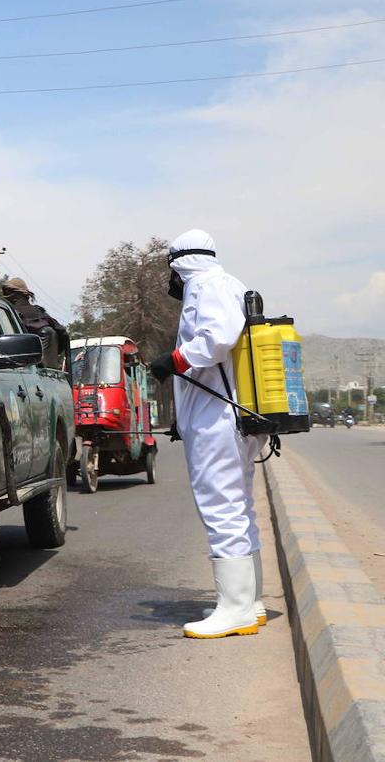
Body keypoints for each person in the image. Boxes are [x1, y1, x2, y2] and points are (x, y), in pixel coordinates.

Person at [149, 228, 266, 639]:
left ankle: (234, 610)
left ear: (180, 263)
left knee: (221, 507)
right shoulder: (226, 282)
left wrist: (174, 360)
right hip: (232, 413)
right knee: (238, 506)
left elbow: (217, 339)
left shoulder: (207, 285)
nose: (172, 283)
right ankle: (249, 603)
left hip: (220, 416)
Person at [0, 277, 68, 368]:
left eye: (7, 292)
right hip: (49, 373)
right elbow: (63, 334)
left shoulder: (8, 314)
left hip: (24, 370)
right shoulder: (40, 313)